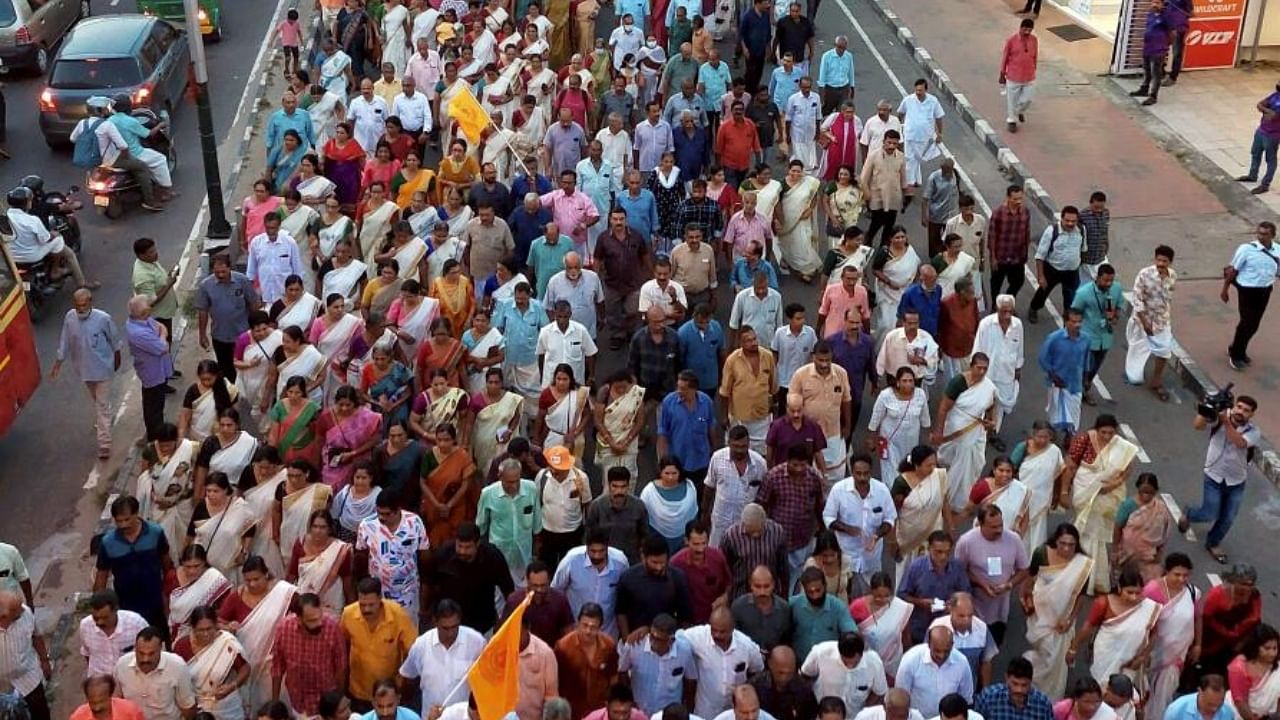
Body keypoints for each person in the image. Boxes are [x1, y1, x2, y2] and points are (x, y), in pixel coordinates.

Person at [1179, 393, 1259, 563]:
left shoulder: (1253, 432)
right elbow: (1198, 425)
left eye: (1246, 410)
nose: (1241, 412)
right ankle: (1189, 513)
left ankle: (1213, 543)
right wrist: (1207, 409)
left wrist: (1225, 421)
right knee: (1209, 513)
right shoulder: (1220, 417)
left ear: (1251, 415)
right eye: (1239, 407)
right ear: (1234, 406)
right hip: (1213, 476)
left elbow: (1239, 442)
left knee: (1228, 517)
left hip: (1236, 481)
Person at [1066, 415, 1140, 594]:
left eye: (1111, 433)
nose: (1107, 436)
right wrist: (1062, 491)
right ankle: (1081, 575)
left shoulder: (1121, 446)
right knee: (1085, 530)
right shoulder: (1083, 440)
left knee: (1094, 536)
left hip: (1107, 495)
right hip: (1084, 490)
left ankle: (1090, 577)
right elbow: (1070, 465)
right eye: (1103, 432)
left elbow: (1127, 469)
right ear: (1096, 429)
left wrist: (1112, 485)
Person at [50, 289, 121, 459]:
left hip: (103, 368)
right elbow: (65, 340)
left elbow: (115, 341)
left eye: (84, 305)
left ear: (90, 302)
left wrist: (116, 360)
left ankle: (104, 444)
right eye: (77, 306)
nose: (81, 309)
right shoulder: (70, 318)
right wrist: (58, 363)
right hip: (84, 370)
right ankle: (106, 419)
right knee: (98, 401)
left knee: (101, 406)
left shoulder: (103, 318)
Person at [93, 495, 172, 632]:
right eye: (119, 521)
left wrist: (170, 595)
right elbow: (101, 577)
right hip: (126, 606)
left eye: (127, 519)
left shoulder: (155, 533)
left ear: (136, 514)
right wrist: (99, 607)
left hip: (155, 602)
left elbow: (167, 566)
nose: (123, 524)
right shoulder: (108, 542)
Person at [398, 597, 485, 716]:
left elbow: (486, 678)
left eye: (454, 627)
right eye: (445, 628)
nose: (450, 633)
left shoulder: (477, 642)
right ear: (435, 622)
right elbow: (408, 678)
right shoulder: (421, 645)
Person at [954, 505, 1028, 644]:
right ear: (981, 524)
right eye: (993, 527)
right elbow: (959, 571)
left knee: (993, 647)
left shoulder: (1014, 539)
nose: (999, 530)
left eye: (1000, 525)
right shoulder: (966, 541)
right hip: (972, 610)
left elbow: (1024, 569)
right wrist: (981, 584)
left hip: (1000, 611)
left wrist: (1009, 584)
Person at [932, 354, 997, 512]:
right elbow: (943, 408)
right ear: (971, 366)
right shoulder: (958, 383)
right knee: (960, 461)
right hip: (958, 424)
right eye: (978, 368)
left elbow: (991, 404)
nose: (981, 372)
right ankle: (953, 500)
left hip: (977, 428)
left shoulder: (988, 386)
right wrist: (939, 431)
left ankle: (963, 495)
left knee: (977, 461)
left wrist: (992, 420)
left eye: (985, 369)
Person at [340, 579, 416, 713]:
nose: (366, 609)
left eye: (371, 605)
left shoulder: (398, 615)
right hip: (359, 692)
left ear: (380, 598)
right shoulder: (348, 614)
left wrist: (405, 685)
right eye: (362, 605)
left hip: (389, 695)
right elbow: (343, 648)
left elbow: (412, 652)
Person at [1143, 553, 1201, 720]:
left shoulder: (1192, 592)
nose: (1182, 579)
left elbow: (1198, 618)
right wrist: (1143, 652)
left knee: (1165, 692)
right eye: (1177, 574)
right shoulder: (1152, 590)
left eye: (1186, 575)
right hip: (1152, 652)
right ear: (1166, 572)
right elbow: (1143, 622)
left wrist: (1198, 645)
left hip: (1176, 656)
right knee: (1145, 688)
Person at [270, 593, 347, 715]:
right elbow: (277, 667)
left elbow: (341, 666)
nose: (319, 623)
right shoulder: (283, 628)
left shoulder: (332, 627)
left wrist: (339, 699)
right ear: (299, 619)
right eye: (312, 620)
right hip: (297, 701)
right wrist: (274, 702)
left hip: (326, 702)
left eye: (319, 617)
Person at [891, 447, 952, 587]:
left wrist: (951, 527)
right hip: (909, 536)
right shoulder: (902, 483)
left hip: (933, 532)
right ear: (916, 465)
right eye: (928, 465)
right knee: (906, 574)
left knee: (931, 568)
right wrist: (893, 542)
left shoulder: (939, 476)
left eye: (934, 464)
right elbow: (893, 512)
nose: (933, 468)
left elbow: (944, 501)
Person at [478, 458, 543, 586]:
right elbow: (481, 526)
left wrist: (536, 552)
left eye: (517, 481)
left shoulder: (531, 489)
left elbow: (537, 524)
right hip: (499, 554)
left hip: (524, 555)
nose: (514, 486)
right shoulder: (488, 494)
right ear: (500, 477)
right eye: (509, 482)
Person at [617, 612, 698, 715]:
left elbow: (690, 682)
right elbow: (622, 672)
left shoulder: (684, 651)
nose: (653, 641)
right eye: (651, 636)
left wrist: (688, 710)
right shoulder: (635, 645)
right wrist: (629, 701)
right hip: (640, 712)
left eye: (659, 639)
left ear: (671, 640)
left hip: (668, 714)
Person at [1223, 222, 1278, 370]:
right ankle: (1236, 355)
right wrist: (1225, 290)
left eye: (1265, 234)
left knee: (1254, 325)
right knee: (1247, 322)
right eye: (1259, 233)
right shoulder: (1246, 249)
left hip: (1265, 290)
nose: (1261, 237)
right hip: (1247, 290)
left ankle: (1237, 348)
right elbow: (1232, 270)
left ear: (1273, 235)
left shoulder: (1278, 250)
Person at [898, 531, 970, 644]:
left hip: (948, 628)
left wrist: (953, 604)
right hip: (920, 628)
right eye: (939, 552)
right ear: (929, 548)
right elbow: (902, 595)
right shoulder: (916, 567)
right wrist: (921, 602)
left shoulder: (957, 567)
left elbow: (966, 594)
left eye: (947, 552)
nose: (943, 557)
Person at [1124, 245, 1177, 397]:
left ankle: (1156, 381)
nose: (1160, 263)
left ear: (1170, 262)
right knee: (1135, 377)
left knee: (1164, 350)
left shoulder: (1172, 276)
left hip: (1161, 321)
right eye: (1158, 260)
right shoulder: (1144, 274)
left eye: (1164, 261)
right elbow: (1137, 299)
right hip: (1142, 321)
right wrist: (1145, 321)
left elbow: (1168, 298)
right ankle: (1134, 370)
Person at [113, 626, 195, 720]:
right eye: (141, 653)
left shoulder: (178, 666)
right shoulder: (122, 665)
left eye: (151, 654)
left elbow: (187, 707)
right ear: (135, 648)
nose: (145, 659)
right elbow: (116, 702)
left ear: (161, 649)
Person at [972, 295, 1023, 444]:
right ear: (997, 309)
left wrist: (1018, 369)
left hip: (1007, 374)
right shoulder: (986, 324)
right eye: (1003, 311)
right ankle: (980, 433)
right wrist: (976, 372)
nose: (1007, 315)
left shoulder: (1017, 325)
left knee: (1002, 406)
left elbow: (1019, 348)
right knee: (984, 404)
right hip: (987, 374)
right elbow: (978, 349)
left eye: (1010, 312)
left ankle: (993, 433)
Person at [1199, 563, 1263, 678]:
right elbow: (1206, 618)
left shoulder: (1254, 595)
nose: (1246, 588)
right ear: (1233, 581)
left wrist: (1239, 637)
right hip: (1213, 640)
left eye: (1250, 584)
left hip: (1238, 640)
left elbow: (1255, 617)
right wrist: (1226, 633)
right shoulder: (1217, 595)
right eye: (1243, 584)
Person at [126, 296, 175, 441]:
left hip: (159, 369)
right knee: (153, 407)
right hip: (152, 374)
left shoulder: (143, 320)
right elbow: (163, 347)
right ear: (143, 313)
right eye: (149, 308)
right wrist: (163, 335)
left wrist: (161, 334)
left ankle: (155, 432)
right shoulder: (138, 333)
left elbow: (160, 326)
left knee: (157, 405)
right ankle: (154, 438)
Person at [1028, 206, 1086, 324]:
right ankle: (1034, 308)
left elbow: (1083, 249)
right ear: (1061, 219)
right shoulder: (1051, 231)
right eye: (1067, 220)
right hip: (1053, 270)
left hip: (1072, 272)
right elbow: (1040, 255)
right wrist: (1041, 276)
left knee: (1070, 297)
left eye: (1073, 221)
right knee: (1043, 292)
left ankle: (1067, 317)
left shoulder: (1081, 230)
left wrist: (1079, 265)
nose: (1070, 224)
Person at [896, 627, 973, 716]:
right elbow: (900, 697)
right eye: (937, 651)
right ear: (928, 644)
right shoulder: (910, 660)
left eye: (946, 651)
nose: (941, 656)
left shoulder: (962, 662)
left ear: (952, 645)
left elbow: (966, 699)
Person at [849, 573, 913, 680]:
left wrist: (908, 657)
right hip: (866, 659)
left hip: (893, 662)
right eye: (877, 596)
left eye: (886, 596)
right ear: (871, 591)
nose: (882, 600)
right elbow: (848, 630)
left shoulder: (900, 607)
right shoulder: (857, 607)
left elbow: (906, 635)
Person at [1037, 308, 1091, 435]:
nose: (1077, 325)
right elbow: (1042, 358)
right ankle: (1051, 432)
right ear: (1066, 322)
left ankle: (1070, 435)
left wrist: (1086, 379)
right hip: (1057, 384)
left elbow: (1086, 359)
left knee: (1074, 412)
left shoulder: (1086, 339)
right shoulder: (1054, 339)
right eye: (1073, 321)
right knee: (1054, 411)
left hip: (1075, 384)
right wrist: (1053, 376)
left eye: (1079, 322)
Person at [1114, 473, 1174, 582]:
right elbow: (1118, 527)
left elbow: (1164, 533)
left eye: (1150, 493)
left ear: (1156, 491)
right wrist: (1115, 550)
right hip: (1128, 553)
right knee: (1128, 579)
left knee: (1150, 581)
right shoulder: (1128, 505)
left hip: (1149, 556)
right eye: (1143, 491)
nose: (1146, 496)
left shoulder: (1160, 509)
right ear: (1137, 489)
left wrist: (1159, 552)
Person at [790, 566, 857, 661]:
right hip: (799, 663)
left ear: (825, 586)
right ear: (804, 589)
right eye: (810, 592)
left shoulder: (838, 607)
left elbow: (851, 632)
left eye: (818, 590)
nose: (815, 596)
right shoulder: (793, 604)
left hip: (829, 663)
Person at [974, 658, 1053, 720]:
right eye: (1015, 684)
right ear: (1006, 678)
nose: (1019, 690)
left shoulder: (1042, 704)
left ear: (1031, 682)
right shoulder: (988, 698)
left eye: (1024, 685)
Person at [1237, 86, 1280, 195]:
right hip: (1261, 130)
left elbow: (1272, 116)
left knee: (1270, 160)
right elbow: (1259, 104)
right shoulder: (1275, 95)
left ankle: (1265, 184)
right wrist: (1267, 110)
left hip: (1272, 135)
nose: (1278, 84)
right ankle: (1252, 175)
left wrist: (1265, 110)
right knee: (1255, 153)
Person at [999, 20, 1039, 133]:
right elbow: (1005, 58)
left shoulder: (1034, 40)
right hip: (1013, 76)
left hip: (1029, 76)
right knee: (1012, 100)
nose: (1027, 32)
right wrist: (1002, 73)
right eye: (1025, 29)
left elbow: (1035, 55)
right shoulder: (1011, 41)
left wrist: (1034, 67)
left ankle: (1018, 112)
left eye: (1029, 30)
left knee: (1028, 100)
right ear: (1020, 28)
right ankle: (1012, 121)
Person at [1130, 0, 1172, 106]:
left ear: (1163, 4)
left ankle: (1153, 96)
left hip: (1159, 50)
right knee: (1147, 69)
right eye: (1153, 2)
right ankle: (1144, 89)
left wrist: (1165, 45)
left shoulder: (1167, 16)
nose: (1154, 5)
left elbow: (1173, 33)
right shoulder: (1150, 13)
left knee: (1156, 73)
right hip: (1148, 47)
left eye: (1157, 3)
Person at [1161, 675, 1233, 720]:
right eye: (1210, 704)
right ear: (1200, 691)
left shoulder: (1227, 712)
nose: (1214, 709)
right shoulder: (1176, 710)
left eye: (1219, 705)